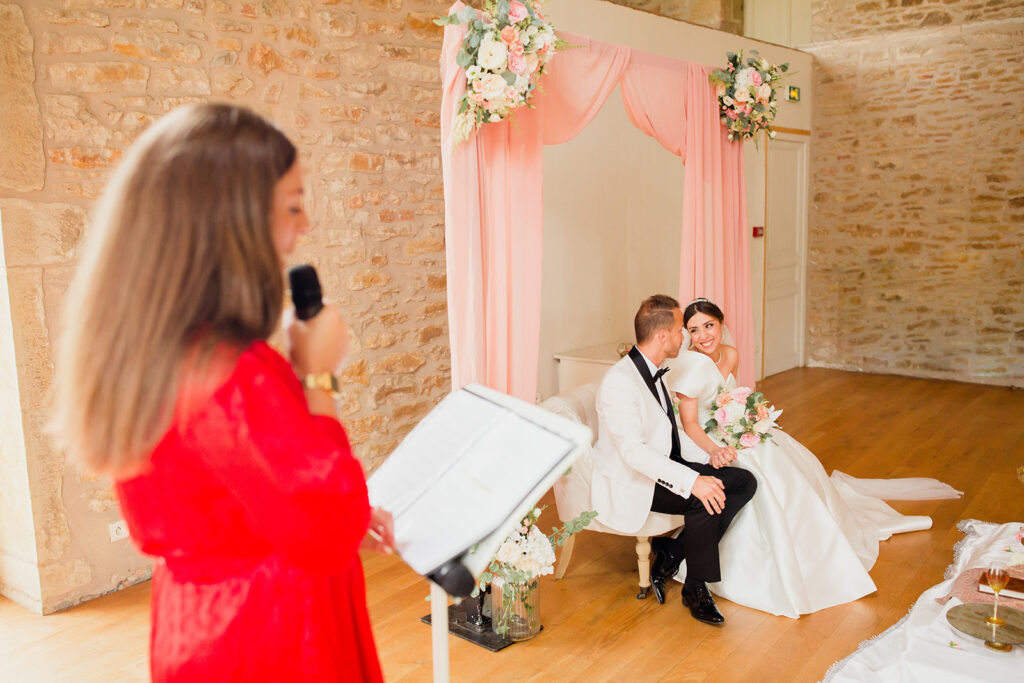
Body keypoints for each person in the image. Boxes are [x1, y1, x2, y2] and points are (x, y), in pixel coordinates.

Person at [53, 104, 393, 681]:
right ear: (233, 224)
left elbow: (227, 501)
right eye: (292, 207)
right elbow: (328, 520)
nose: (305, 225)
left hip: (199, 624)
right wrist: (317, 374)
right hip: (272, 634)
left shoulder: (155, 351)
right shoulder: (233, 374)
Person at [667, 297, 960, 618]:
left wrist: (749, 416)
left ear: (722, 324)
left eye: (709, 325)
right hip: (706, 438)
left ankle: (814, 545)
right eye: (694, 331)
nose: (704, 336)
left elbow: (734, 395)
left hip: (734, 427)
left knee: (785, 459)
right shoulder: (691, 367)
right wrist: (716, 447)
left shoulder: (732, 354)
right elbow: (691, 423)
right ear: (688, 335)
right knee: (758, 475)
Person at [589, 295, 757, 625]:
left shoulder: (653, 368)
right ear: (663, 336)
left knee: (743, 481)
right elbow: (634, 453)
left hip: (662, 463)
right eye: (682, 329)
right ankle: (695, 586)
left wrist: (704, 457)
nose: (687, 337)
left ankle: (673, 551)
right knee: (703, 497)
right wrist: (693, 480)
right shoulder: (620, 382)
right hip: (634, 480)